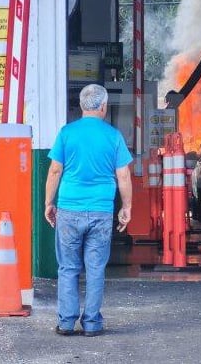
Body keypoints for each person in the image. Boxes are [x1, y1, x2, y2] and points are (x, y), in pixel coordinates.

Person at [44, 83, 133, 337]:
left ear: (82, 106)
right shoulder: (113, 136)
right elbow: (123, 175)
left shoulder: (66, 133)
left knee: (68, 268)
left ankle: (66, 323)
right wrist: (126, 207)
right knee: (95, 268)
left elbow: (54, 170)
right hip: (101, 212)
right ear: (103, 107)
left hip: (69, 210)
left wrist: (49, 203)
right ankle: (92, 323)